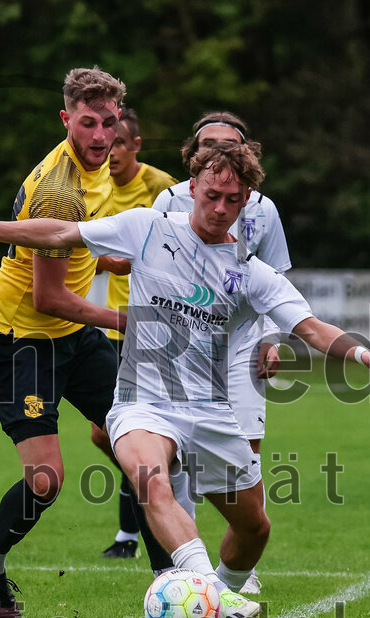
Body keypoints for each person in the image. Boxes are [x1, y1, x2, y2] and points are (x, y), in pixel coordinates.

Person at [0, 141, 370, 618]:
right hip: (142, 401)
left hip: (210, 411)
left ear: (246, 201)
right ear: (192, 187)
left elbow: (312, 328)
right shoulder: (148, 228)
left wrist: (362, 354)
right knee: (150, 480)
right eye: (212, 195)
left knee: (254, 528)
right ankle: (207, 595)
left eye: (233, 200)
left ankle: (221, 590)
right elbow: (58, 231)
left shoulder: (251, 273)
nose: (220, 208)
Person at [0, 67, 128, 618]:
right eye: (89, 123)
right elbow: (48, 297)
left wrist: (112, 260)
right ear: (66, 120)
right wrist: (127, 319)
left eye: (109, 122)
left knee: (147, 448)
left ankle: (172, 579)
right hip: (22, 339)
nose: (101, 134)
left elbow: (80, 244)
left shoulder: (99, 168)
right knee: (45, 480)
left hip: (72, 336)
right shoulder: (59, 189)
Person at [152, 112, 291, 593]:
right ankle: (190, 568)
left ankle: (241, 569)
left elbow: (275, 277)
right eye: (206, 144)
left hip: (242, 341)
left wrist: (273, 337)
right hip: (184, 342)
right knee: (175, 456)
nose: (216, 152)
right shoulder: (169, 199)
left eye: (228, 144)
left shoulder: (263, 208)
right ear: (193, 157)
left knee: (246, 449)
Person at [94, 107, 179, 561]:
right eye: (107, 145)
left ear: (136, 146)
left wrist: (123, 260)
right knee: (103, 433)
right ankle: (152, 483)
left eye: (120, 144)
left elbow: (180, 248)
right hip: (115, 325)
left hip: (157, 327)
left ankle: (130, 535)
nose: (111, 153)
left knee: (136, 430)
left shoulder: (161, 188)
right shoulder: (95, 185)